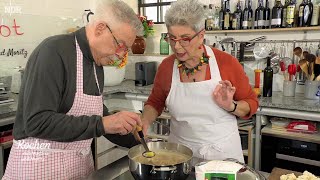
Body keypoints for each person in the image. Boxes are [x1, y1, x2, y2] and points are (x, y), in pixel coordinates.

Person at [3, 0, 144, 179]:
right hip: (38, 169)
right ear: (100, 28)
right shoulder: (53, 51)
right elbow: (36, 122)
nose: (122, 54)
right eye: (121, 44)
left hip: (76, 169)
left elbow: (98, 117)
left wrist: (132, 135)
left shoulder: (96, 65)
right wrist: (103, 124)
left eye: (126, 50)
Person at [141, 0, 258, 163]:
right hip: (180, 155)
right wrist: (144, 122)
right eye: (172, 38)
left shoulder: (227, 63)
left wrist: (231, 106)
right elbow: (155, 102)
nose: (177, 47)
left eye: (185, 39)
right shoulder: (167, 67)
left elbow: (251, 104)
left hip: (222, 155)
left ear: (201, 35)